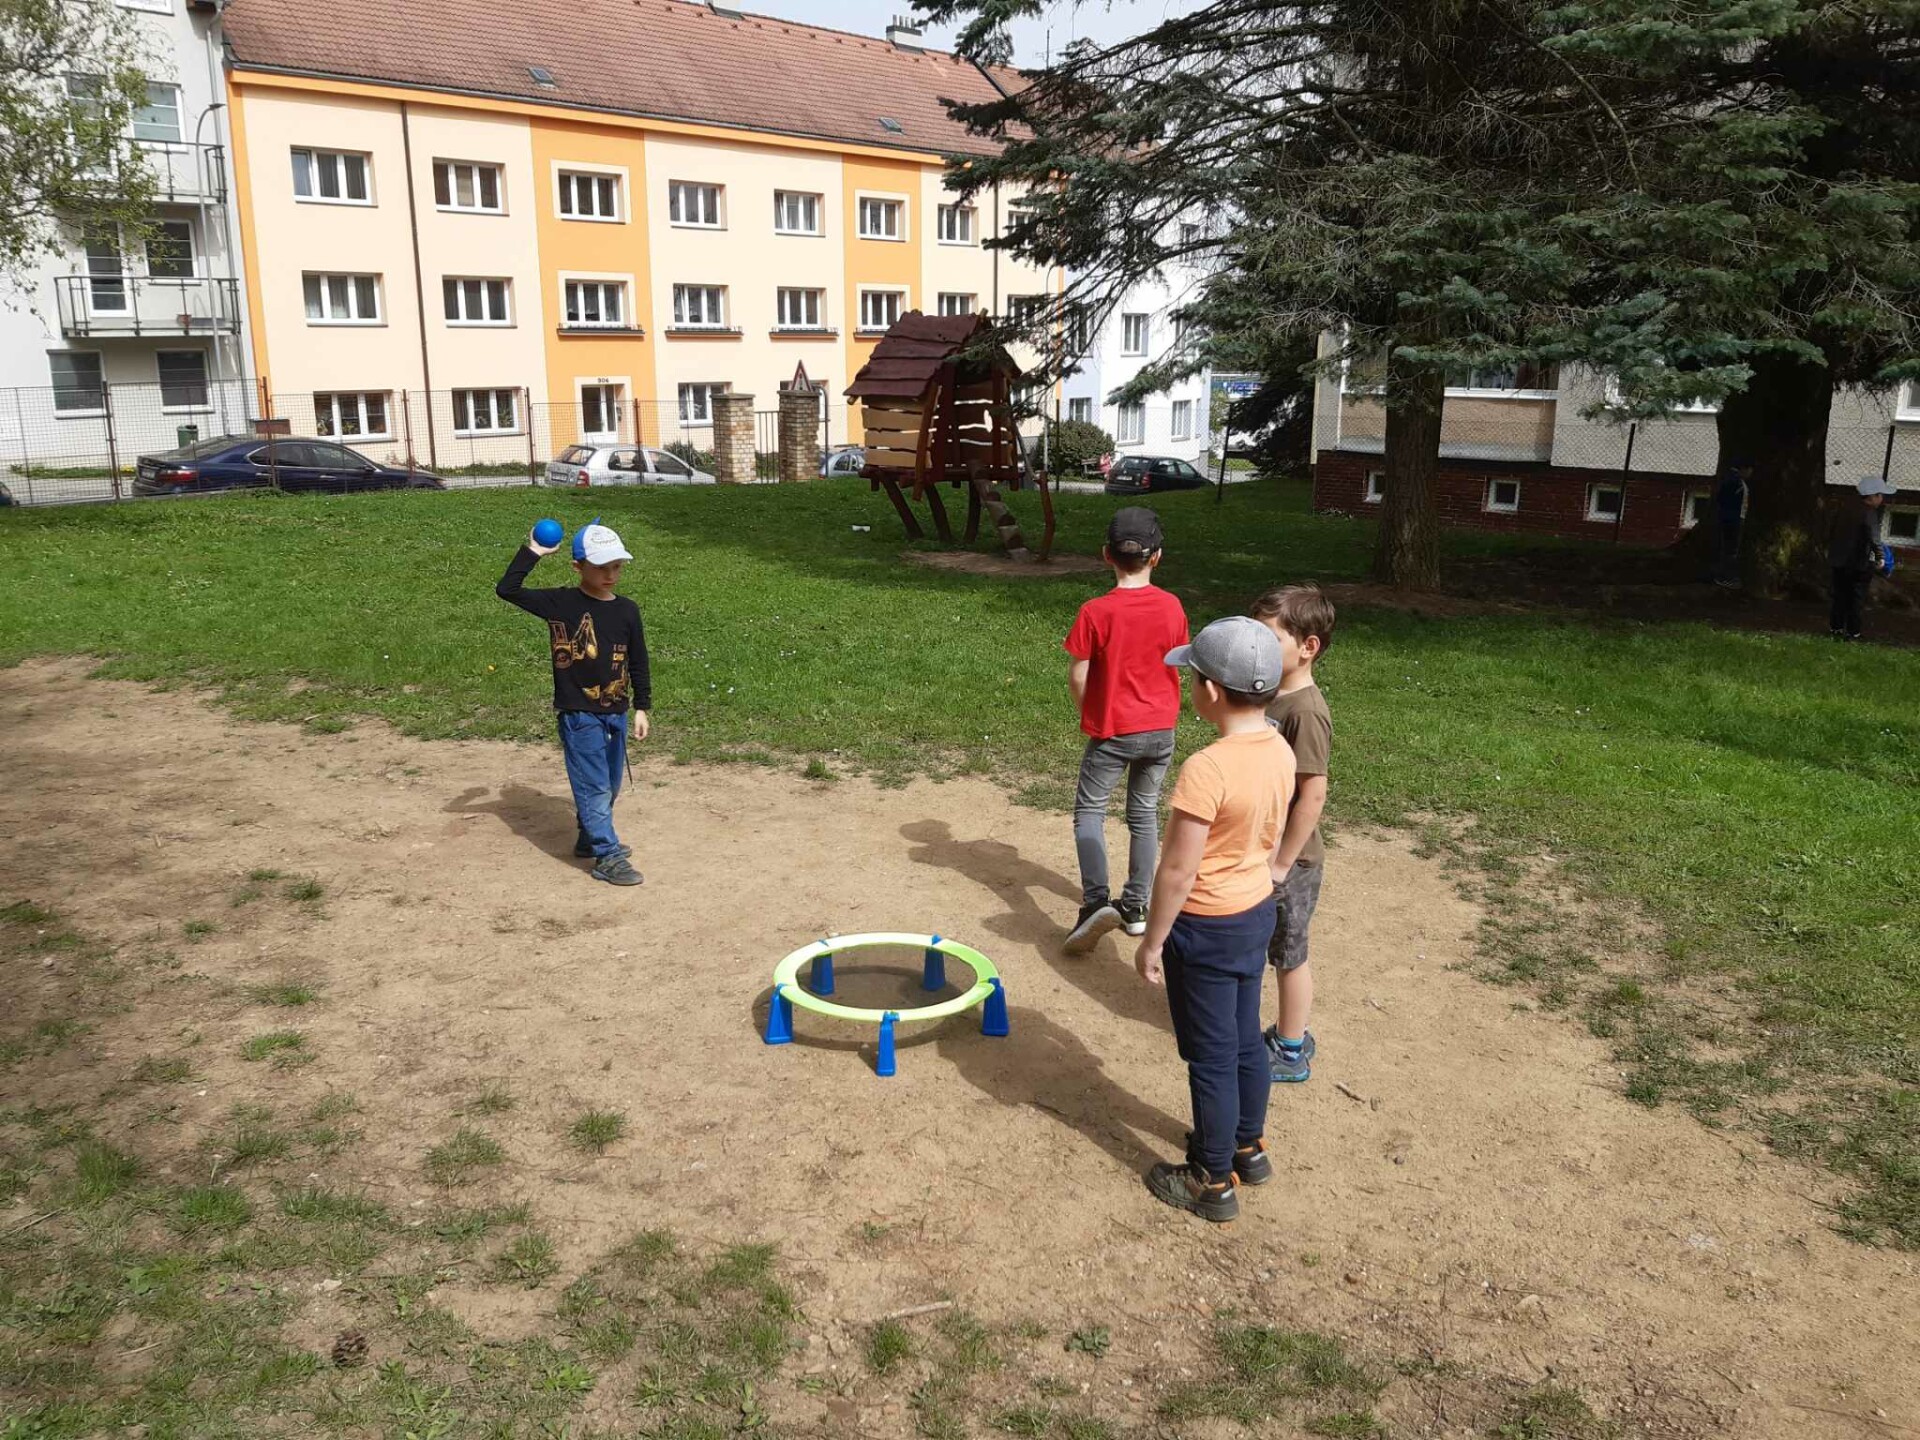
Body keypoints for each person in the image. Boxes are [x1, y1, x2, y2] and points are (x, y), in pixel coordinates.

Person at [1134, 617, 1296, 1222]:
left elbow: (1177, 871)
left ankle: (1210, 1177)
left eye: (1191, 676)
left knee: (1211, 1055)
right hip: (1254, 912)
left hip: (1203, 927)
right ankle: (1248, 1147)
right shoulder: (1280, 746)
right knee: (1245, 1037)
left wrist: (1153, 940)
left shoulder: (1208, 767)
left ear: (1209, 690)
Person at [1062, 507, 1191, 953]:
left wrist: (1089, 712)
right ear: (1157, 557)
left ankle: (1096, 902)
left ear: (1106, 555)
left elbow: (1078, 674)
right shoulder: (1173, 606)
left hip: (1113, 731)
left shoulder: (1095, 612)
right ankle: (1136, 907)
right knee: (1143, 813)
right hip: (1160, 729)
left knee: (1090, 811)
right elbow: (1177, 659)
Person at [496, 519, 650, 885]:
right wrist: (533, 551)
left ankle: (589, 836)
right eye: (601, 567)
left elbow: (638, 661)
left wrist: (642, 707)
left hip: (616, 712)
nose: (611, 574)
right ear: (578, 566)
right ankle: (607, 855)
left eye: (617, 566)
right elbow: (507, 589)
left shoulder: (627, 610)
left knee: (610, 785)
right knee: (594, 786)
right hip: (579, 715)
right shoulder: (561, 603)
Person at [1250, 584, 1336, 1084]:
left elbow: (1313, 796)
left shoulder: (1305, 711)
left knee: (1289, 955)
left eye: (1269, 638)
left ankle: (1290, 1047)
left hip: (1292, 863)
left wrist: (1282, 862)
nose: (1257, 647)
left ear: (1308, 646)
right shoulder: (1271, 694)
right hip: (1265, 850)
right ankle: (1287, 1032)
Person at [1830, 476, 1896, 641]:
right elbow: (1874, 538)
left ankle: (1836, 628)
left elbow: (1832, 530)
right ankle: (1853, 633)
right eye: (1880, 495)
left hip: (1838, 560)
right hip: (1858, 563)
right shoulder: (1869, 513)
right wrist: (1880, 557)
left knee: (1839, 596)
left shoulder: (1845, 508)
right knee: (1856, 598)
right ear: (1872, 496)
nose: (1882, 499)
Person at [1712, 458, 1752, 588]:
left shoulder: (1736, 481)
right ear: (1744, 469)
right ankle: (1725, 577)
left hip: (1734, 518)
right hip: (1732, 520)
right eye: (1749, 470)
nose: (1750, 474)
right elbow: (1723, 498)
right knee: (1730, 550)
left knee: (1730, 549)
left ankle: (1726, 576)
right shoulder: (1734, 481)